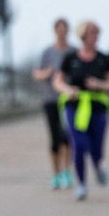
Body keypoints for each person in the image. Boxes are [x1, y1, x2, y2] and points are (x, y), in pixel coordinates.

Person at [53, 20, 109, 201]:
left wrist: (99, 84)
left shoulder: (103, 59)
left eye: (97, 33)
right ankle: (81, 183)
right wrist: (67, 90)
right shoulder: (71, 58)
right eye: (91, 33)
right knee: (79, 145)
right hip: (75, 106)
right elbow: (57, 81)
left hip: (98, 108)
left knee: (96, 147)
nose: (95, 37)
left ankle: (97, 164)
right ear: (82, 36)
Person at [32, 18, 75, 190]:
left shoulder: (73, 51)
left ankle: (66, 172)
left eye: (65, 29)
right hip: (50, 99)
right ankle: (56, 174)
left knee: (67, 137)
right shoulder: (47, 52)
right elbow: (37, 74)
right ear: (55, 31)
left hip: (69, 100)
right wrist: (49, 72)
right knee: (54, 138)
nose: (62, 32)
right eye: (59, 29)